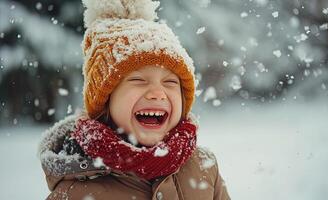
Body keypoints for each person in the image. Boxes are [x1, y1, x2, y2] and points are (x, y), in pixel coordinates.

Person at [38, 0, 230, 199]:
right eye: (138, 80)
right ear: (106, 100)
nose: (157, 92)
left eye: (170, 82)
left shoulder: (203, 168)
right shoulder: (75, 191)